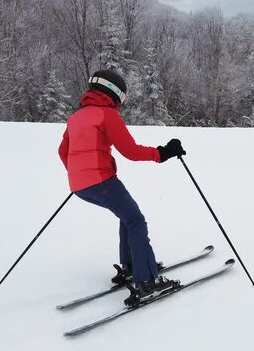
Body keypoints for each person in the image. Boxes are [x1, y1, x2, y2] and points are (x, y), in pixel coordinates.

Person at [58, 69, 186, 306]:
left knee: (127, 216)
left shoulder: (75, 118)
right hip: (101, 181)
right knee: (136, 221)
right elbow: (131, 151)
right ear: (114, 93)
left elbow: (62, 152)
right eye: (123, 97)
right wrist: (163, 153)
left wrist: (79, 173)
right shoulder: (106, 115)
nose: (121, 102)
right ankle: (146, 281)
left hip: (79, 186)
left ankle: (131, 266)